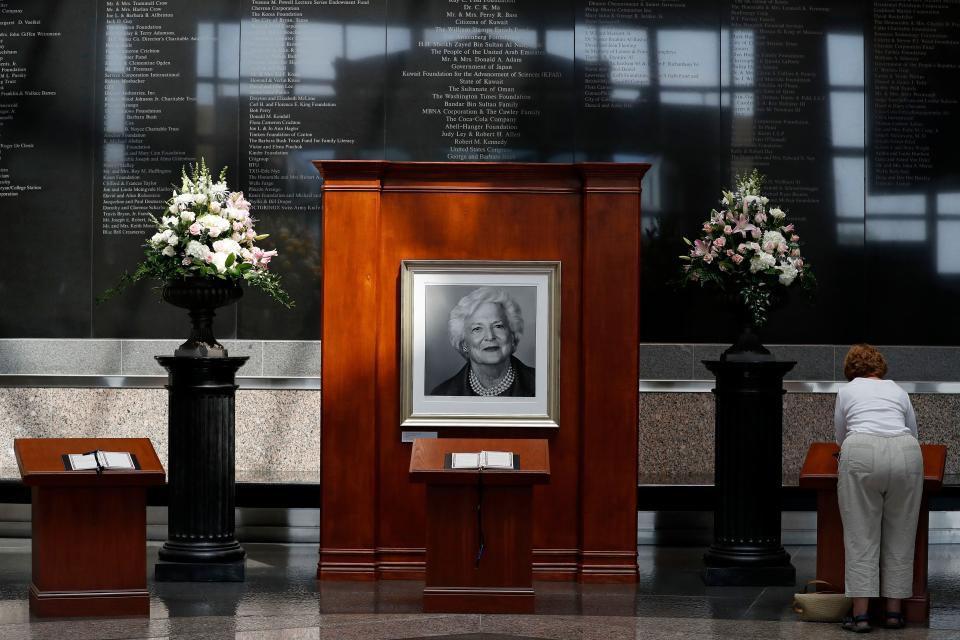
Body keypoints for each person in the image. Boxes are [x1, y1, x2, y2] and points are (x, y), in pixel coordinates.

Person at [834, 344, 922, 633]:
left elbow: (841, 433)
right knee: (902, 532)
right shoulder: (897, 390)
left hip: (861, 449)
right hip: (905, 452)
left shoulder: (847, 391)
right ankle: (894, 613)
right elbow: (912, 429)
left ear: (851, 369)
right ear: (879, 366)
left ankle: (860, 616)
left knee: (861, 535)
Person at [429, 287, 535, 397]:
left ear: (512, 336)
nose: (490, 336)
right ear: (464, 343)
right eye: (477, 329)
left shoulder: (543, 384)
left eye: (498, 326)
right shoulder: (442, 394)